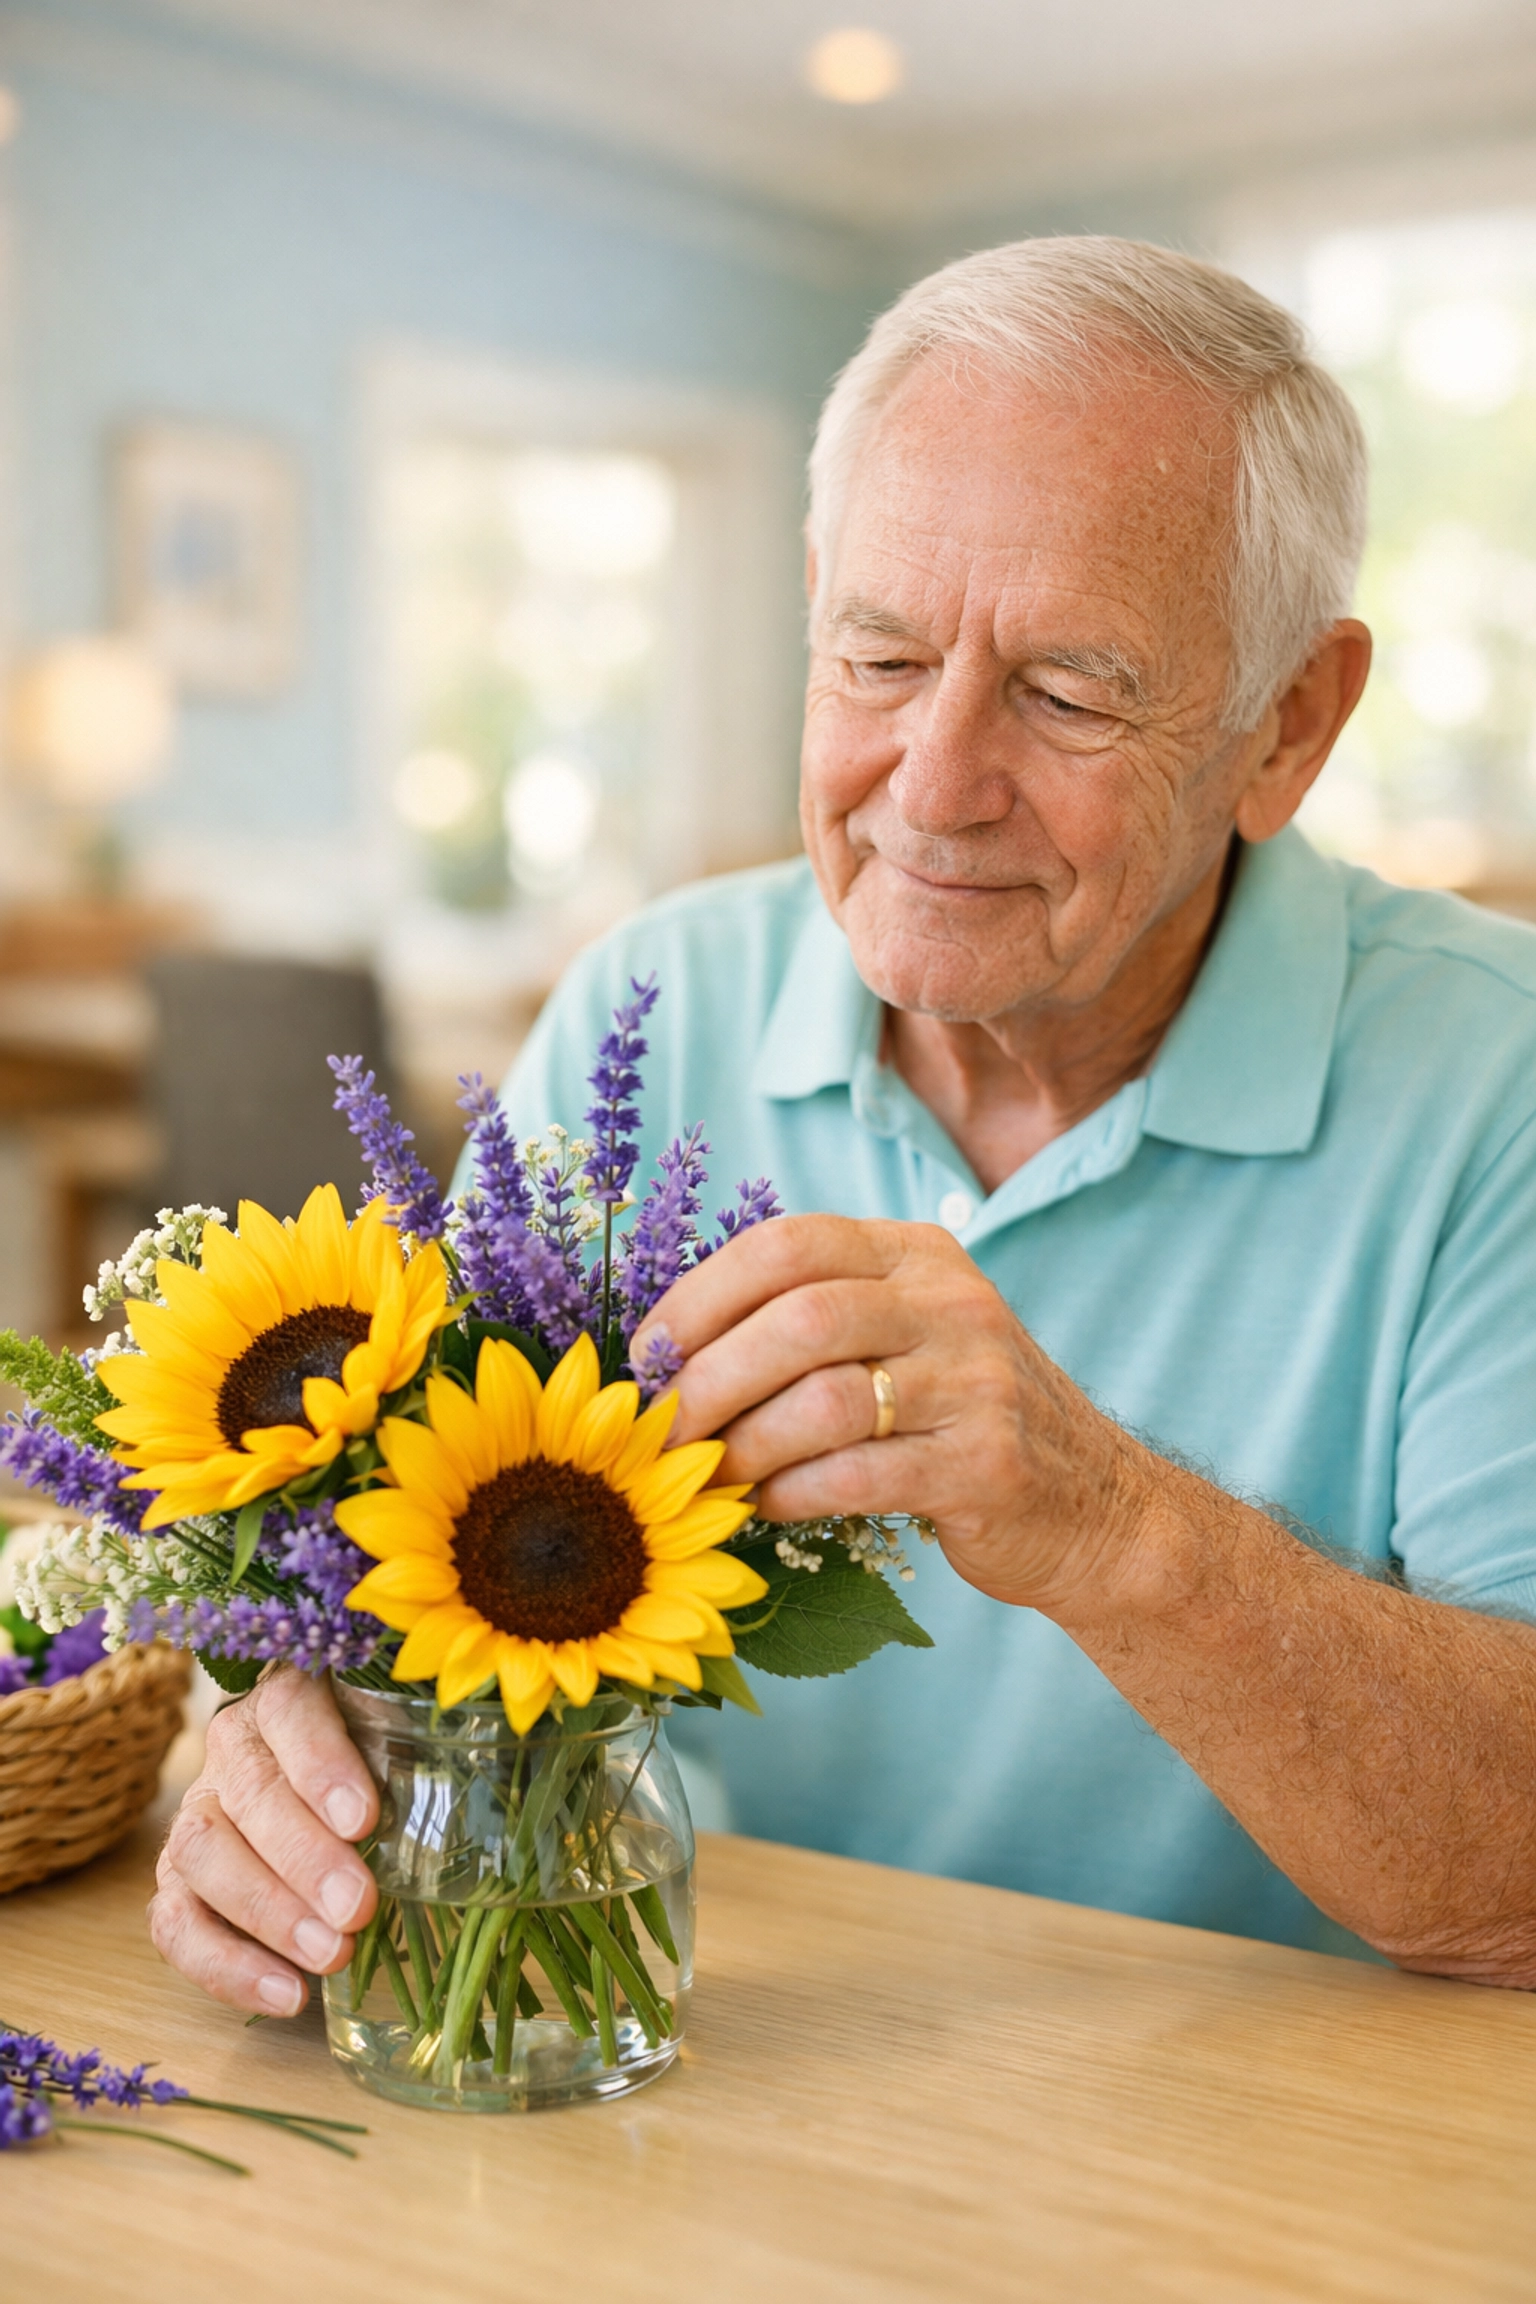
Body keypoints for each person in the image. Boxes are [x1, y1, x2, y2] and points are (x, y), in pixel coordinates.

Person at [150, 238, 1536, 2020]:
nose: (934, 786)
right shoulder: (651, 1004)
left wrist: (1107, 1521)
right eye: (878, 654)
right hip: (717, 2082)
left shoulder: (1500, 1088)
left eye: (1068, 692)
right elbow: (391, 1579)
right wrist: (295, 1759)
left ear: (1292, 723)